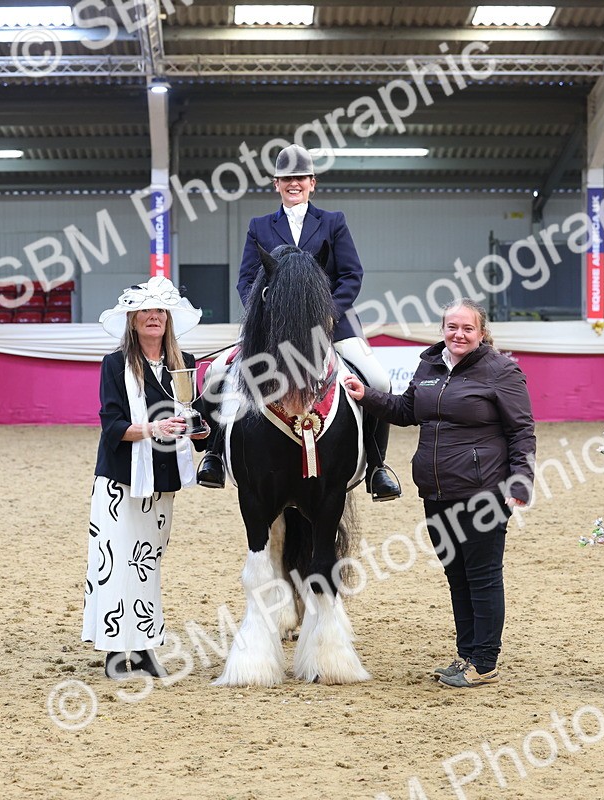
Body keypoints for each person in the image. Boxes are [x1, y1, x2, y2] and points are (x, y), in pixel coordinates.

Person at [343, 299, 535, 689]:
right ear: (442, 329)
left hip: (483, 492)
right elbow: (406, 411)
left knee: (482, 576)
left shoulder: (501, 370)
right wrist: (366, 395)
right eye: (451, 327)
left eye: (467, 328)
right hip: (436, 491)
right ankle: (466, 654)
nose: (458, 334)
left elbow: (522, 431)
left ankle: (485, 661)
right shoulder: (429, 365)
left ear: (481, 332)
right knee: (457, 575)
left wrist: (520, 482)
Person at [196, 143, 401, 501]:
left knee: (378, 379)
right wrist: (263, 315)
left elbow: (351, 273)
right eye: (287, 178)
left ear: (312, 182)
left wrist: (327, 312)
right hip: (273, 328)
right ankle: (214, 453)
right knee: (216, 374)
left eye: (300, 178)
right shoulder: (260, 226)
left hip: (331, 325)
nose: (294, 184)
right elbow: (246, 279)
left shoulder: (333, 222)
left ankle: (377, 467)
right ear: (276, 183)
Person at [83, 276, 210, 680]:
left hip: (163, 480)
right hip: (121, 481)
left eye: (159, 311)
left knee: (147, 565)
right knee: (116, 563)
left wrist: (200, 429)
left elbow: (193, 416)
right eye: (145, 311)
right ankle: (115, 651)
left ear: (168, 319)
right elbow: (112, 425)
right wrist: (154, 429)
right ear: (133, 320)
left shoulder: (183, 362)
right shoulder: (115, 364)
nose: (153, 317)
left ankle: (143, 645)